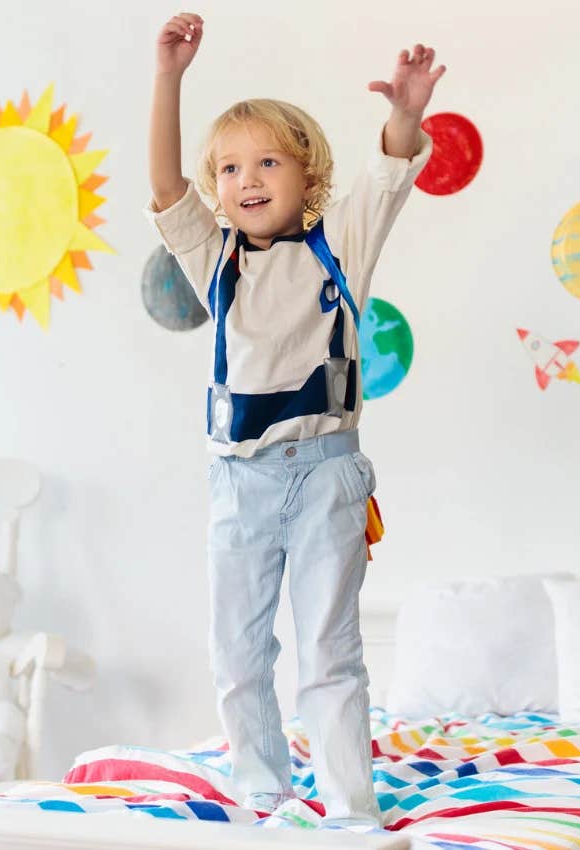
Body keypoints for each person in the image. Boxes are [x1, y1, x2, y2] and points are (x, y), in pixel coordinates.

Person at [145, 11, 445, 829]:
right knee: (238, 653)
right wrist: (169, 77)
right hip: (238, 481)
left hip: (325, 478)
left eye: (268, 161)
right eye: (230, 167)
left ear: (307, 175)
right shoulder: (215, 260)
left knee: (329, 652)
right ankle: (262, 792)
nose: (247, 179)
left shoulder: (339, 243)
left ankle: (350, 808)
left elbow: (388, 173)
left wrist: (405, 114)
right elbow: (166, 187)